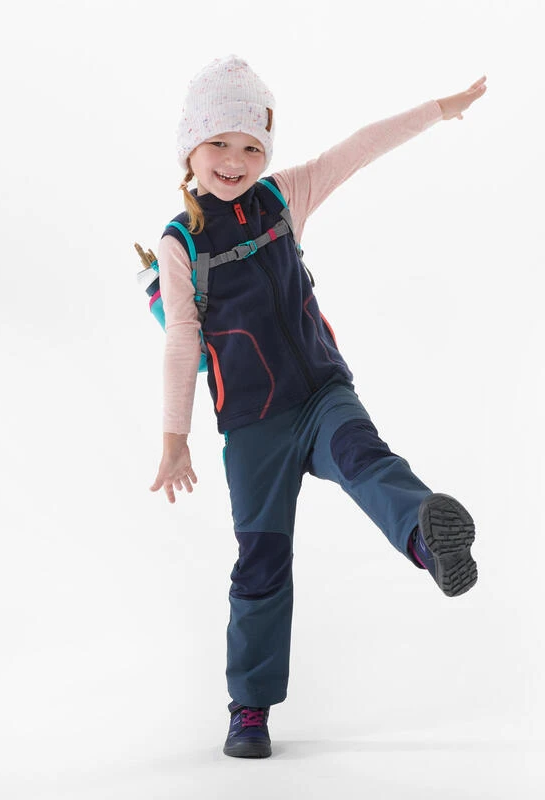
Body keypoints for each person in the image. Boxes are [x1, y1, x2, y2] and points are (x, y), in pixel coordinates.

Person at [149, 55, 487, 759]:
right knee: (262, 561)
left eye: (253, 147)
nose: (236, 161)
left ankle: (427, 540)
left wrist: (439, 110)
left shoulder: (284, 197)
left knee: (370, 462)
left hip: (323, 395)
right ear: (190, 149)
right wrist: (175, 438)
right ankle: (249, 709)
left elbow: (358, 149)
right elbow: (181, 338)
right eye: (220, 143)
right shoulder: (179, 244)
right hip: (253, 430)